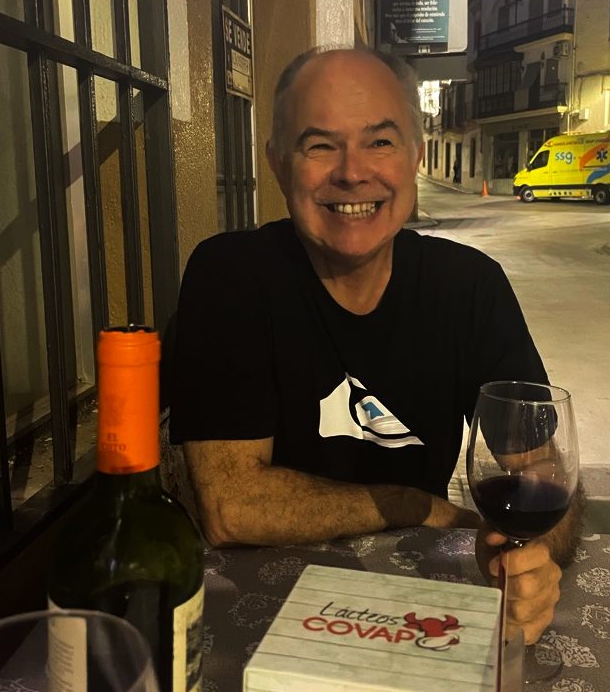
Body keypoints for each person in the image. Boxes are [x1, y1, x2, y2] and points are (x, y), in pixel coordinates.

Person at [170, 46, 583, 644]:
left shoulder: (469, 286)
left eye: (380, 142)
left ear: (416, 156)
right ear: (279, 165)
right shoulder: (231, 275)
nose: (352, 172)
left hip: (418, 609)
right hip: (258, 615)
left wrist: (533, 557)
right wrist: (419, 506)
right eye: (319, 144)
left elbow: (547, 474)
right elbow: (232, 506)